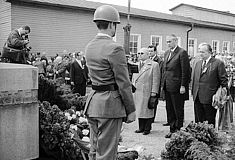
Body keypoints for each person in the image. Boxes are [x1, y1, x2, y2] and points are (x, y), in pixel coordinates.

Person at [84, 5, 136, 160]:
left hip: (93, 103)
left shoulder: (89, 46)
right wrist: (131, 110)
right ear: (112, 24)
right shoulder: (115, 48)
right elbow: (123, 82)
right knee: (107, 154)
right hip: (109, 107)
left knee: (94, 150)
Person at [191, 43, 228, 126]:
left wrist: (224, 95)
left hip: (210, 98)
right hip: (197, 97)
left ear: (209, 52)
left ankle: (210, 138)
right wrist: (193, 92)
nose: (201, 54)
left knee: (209, 122)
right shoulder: (198, 63)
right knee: (198, 121)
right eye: (200, 52)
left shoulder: (218, 63)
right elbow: (194, 79)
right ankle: (199, 138)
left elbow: (224, 80)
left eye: (203, 52)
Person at [161, 34, 190, 138]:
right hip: (167, 85)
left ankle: (178, 130)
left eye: (170, 41)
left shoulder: (182, 53)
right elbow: (165, 69)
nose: (168, 44)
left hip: (177, 86)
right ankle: (172, 129)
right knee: (169, 109)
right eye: (167, 42)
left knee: (178, 109)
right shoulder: (167, 53)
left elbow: (185, 71)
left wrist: (183, 85)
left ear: (175, 41)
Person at [132, 48, 160, 135]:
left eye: (142, 53)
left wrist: (154, 92)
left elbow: (156, 79)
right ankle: (141, 127)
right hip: (138, 90)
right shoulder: (136, 64)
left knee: (147, 110)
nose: (139, 55)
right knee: (139, 110)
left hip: (147, 90)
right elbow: (134, 77)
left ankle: (147, 128)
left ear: (148, 55)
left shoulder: (154, 65)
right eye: (139, 53)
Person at [148, 45, 163, 123]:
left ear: (155, 52)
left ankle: (152, 118)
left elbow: (159, 74)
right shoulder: (147, 59)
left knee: (154, 101)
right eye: (149, 51)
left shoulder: (159, 61)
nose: (150, 53)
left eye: (151, 51)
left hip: (156, 83)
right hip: (148, 83)